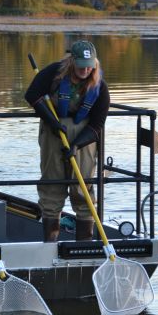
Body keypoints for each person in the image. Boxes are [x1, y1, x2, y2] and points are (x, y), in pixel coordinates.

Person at [24, 40, 109, 242]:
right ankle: (50, 242)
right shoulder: (54, 72)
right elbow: (32, 95)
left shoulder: (100, 87)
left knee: (83, 188)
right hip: (54, 132)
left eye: (90, 65)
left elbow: (98, 124)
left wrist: (77, 145)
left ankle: (84, 244)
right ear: (72, 61)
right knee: (52, 185)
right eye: (81, 64)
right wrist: (52, 122)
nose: (85, 69)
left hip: (84, 138)